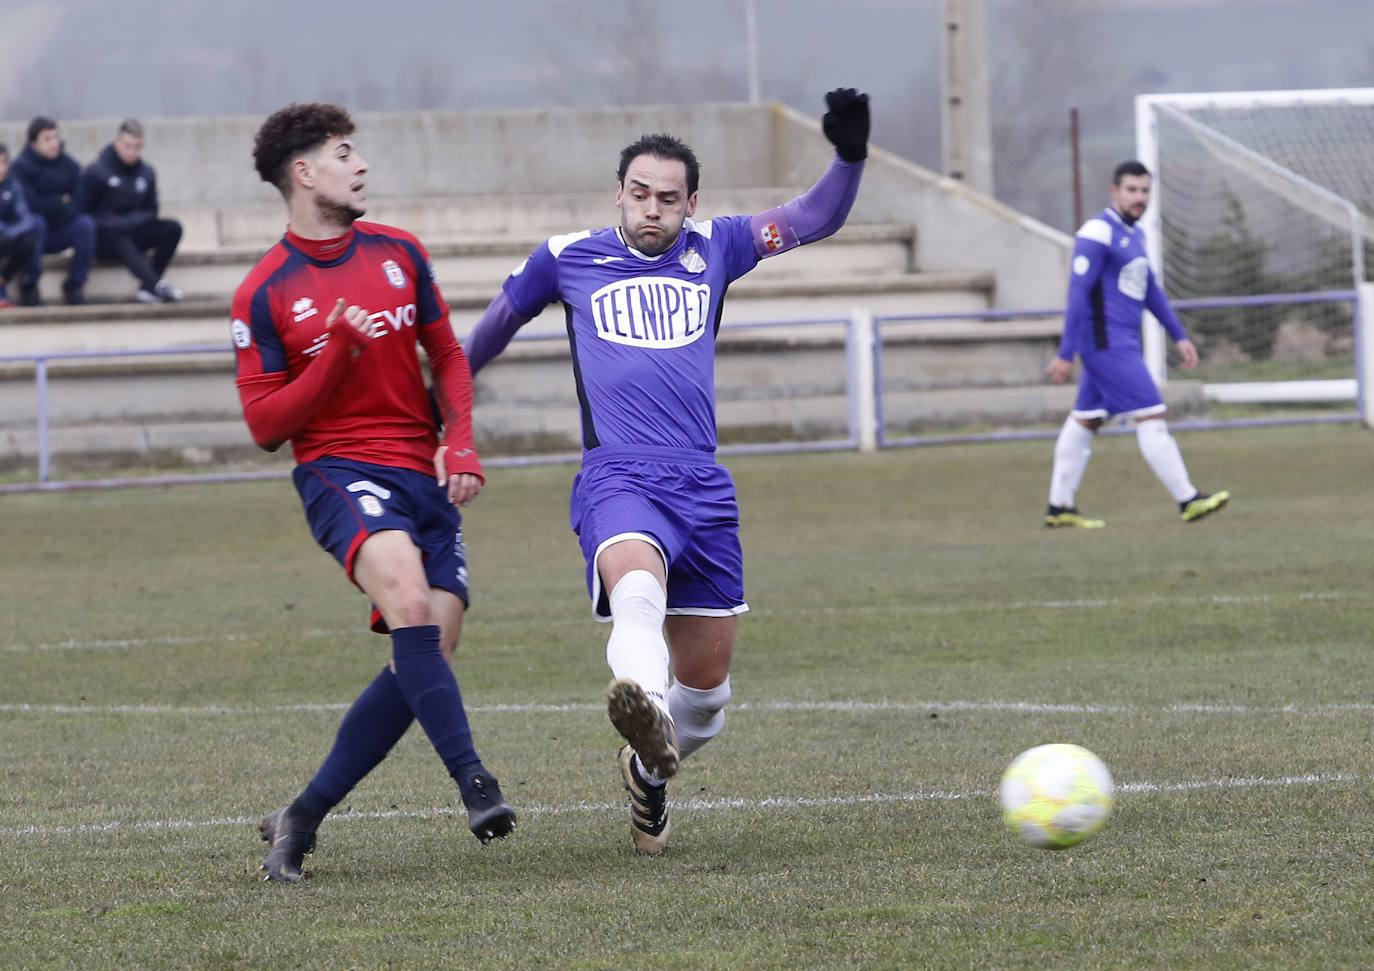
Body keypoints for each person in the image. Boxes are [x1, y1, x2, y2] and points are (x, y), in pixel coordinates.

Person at [463, 88, 870, 854]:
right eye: (640, 194)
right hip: (618, 474)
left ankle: (647, 769)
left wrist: (849, 157)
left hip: (703, 486)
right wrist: (440, 407)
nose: (653, 209)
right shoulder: (566, 257)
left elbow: (815, 217)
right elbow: (493, 328)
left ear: (691, 204)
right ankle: (642, 703)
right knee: (637, 597)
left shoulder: (718, 246)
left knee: (710, 699)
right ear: (619, 194)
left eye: (669, 199)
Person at [231, 102, 515, 883]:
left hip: (421, 470)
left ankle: (304, 813)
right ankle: (475, 782)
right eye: (344, 152)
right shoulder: (265, 290)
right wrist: (334, 356)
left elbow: (448, 356)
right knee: (413, 610)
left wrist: (459, 440)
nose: (360, 166)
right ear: (304, 172)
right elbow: (264, 423)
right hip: (337, 470)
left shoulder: (400, 252)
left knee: (424, 654)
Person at [1045, 159, 1229, 527]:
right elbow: (1078, 295)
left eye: (1145, 190)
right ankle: (1187, 499)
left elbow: (1150, 292)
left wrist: (1178, 334)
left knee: (1085, 420)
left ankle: (1059, 507)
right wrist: (1066, 353)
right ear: (1115, 192)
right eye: (1131, 190)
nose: (1139, 197)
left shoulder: (1136, 236)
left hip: (1120, 340)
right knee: (1151, 413)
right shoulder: (1097, 232)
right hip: (1105, 343)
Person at [79, 119, 184, 303]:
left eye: (136, 146)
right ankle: (156, 284)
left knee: (172, 228)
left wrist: (130, 221)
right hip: (105, 239)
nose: (131, 151)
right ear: (116, 144)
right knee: (117, 235)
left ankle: (148, 288)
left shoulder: (146, 173)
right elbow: (85, 214)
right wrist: (120, 222)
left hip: (135, 232)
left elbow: (152, 211)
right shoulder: (96, 171)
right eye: (127, 145)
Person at [9, 116, 95, 306]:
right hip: (34, 235)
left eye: (55, 137)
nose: (54, 143)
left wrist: (60, 206)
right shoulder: (20, 167)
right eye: (47, 139)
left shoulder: (69, 165)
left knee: (86, 225)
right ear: (33, 142)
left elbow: (79, 200)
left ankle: (75, 285)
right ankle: (30, 285)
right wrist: (59, 201)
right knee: (36, 223)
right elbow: (30, 205)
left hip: (60, 228)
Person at [0, 143, 41, 308]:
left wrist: (8, 232)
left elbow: (26, 219)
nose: (1, 168)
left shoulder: (13, 185)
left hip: (5, 238)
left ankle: (2, 281)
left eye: (3, 162)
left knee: (28, 243)